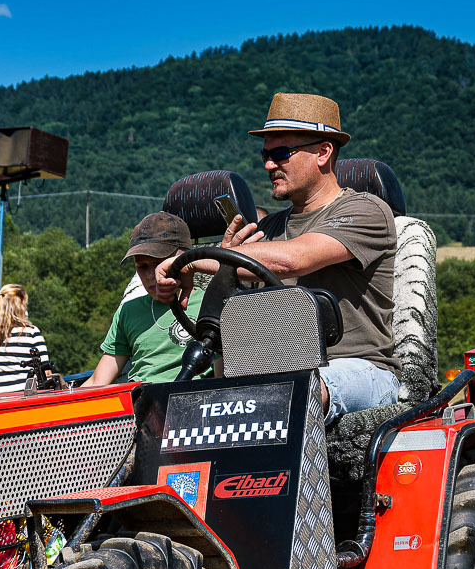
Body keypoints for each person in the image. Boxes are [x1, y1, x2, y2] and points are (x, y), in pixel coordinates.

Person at [157, 91, 399, 423]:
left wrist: (198, 258)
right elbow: (235, 313)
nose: (269, 165)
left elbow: (293, 259)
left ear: (323, 152)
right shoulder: (267, 230)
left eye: (281, 153)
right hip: (277, 369)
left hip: (359, 369)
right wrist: (208, 272)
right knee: (189, 408)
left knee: (297, 392)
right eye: (265, 155)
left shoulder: (366, 211)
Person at [89, 212, 202, 386]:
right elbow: (98, 382)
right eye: (142, 266)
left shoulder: (209, 304)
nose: (150, 275)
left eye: (159, 263)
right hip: (140, 398)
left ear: (185, 257)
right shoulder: (128, 311)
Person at [0, 284, 52, 393]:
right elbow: (47, 372)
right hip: (24, 396)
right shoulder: (31, 332)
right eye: (25, 304)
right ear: (20, 306)